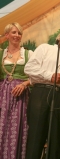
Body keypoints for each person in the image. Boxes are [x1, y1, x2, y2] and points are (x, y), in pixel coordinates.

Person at [24, 30, 60, 159]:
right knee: (36, 136)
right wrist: (50, 76)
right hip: (41, 94)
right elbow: (29, 68)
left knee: (57, 141)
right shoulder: (45, 49)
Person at [0, 22, 33, 159]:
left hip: (20, 97)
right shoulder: (1, 54)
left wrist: (24, 84)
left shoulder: (28, 54)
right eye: (14, 32)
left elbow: (36, 77)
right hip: (2, 95)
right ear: (7, 35)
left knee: (18, 127)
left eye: (19, 33)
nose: (17, 35)